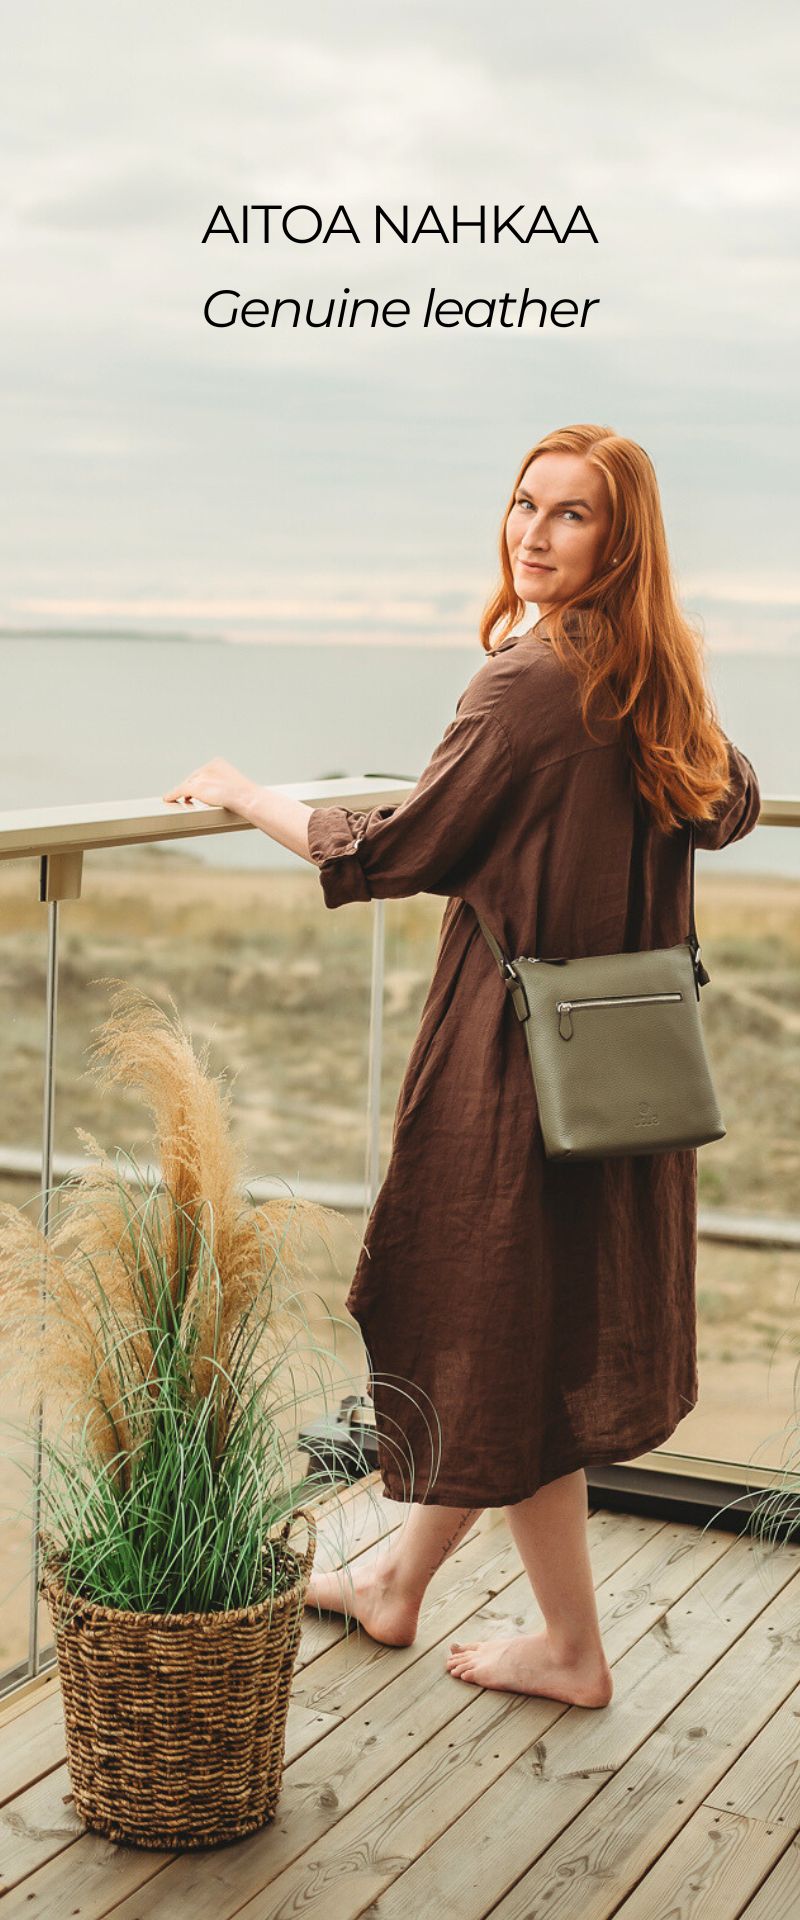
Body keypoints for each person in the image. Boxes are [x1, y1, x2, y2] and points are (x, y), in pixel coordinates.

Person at [162, 423, 761, 1708]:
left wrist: (245, 794)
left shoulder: (528, 683)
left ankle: (571, 1650)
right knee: (522, 1327)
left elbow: (395, 848)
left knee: (502, 1333)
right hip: (622, 1060)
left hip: (514, 1066)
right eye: (523, 503)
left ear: (620, 540)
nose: (531, 534)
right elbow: (730, 804)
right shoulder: (650, 670)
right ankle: (396, 1581)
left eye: (571, 515)